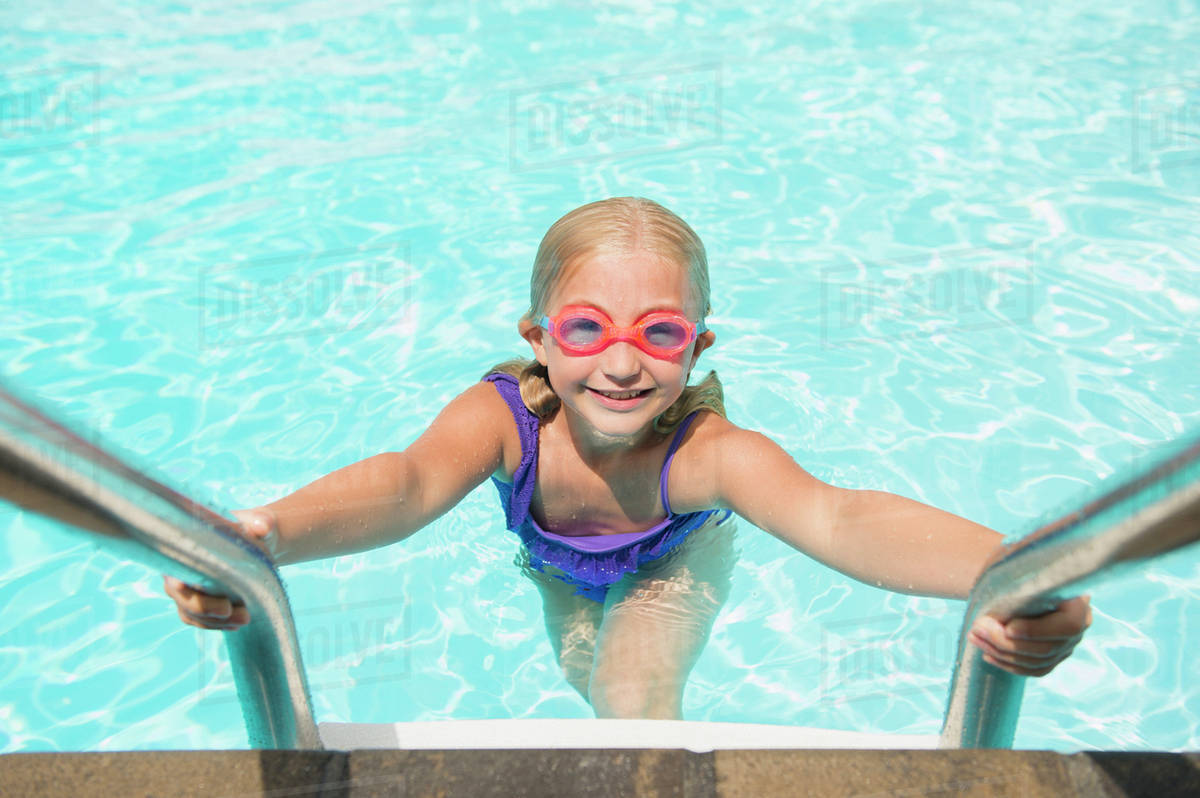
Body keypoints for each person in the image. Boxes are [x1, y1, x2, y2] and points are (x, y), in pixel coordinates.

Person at [165, 196, 1092, 720]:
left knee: (630, 684)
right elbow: (406, 486)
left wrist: (1012, 572)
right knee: (586, 674)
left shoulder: (701, 453)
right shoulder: (502, 423)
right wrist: (265, 534)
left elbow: (837, 516)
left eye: (659, 333)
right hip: (557, 565)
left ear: (698, 349)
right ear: (538, 337)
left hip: (670, 562)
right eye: (585, 329)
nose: (619, 363)